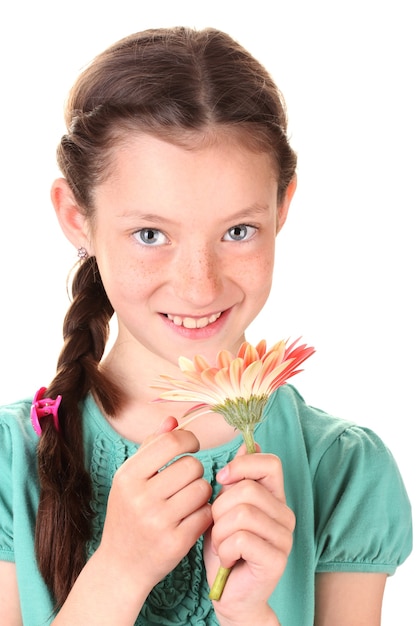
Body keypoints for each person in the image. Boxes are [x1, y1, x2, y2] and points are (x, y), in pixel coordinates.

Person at [0, 26, 412, 626]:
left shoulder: (342, 471)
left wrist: (248, 610)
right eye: (150, 235)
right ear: (76, 217)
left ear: (282, 207)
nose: (200, 286)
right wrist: (117, 573)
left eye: (238, 231)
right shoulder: (12, 464)